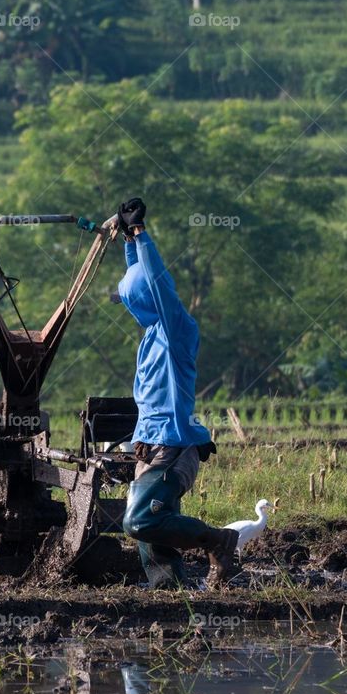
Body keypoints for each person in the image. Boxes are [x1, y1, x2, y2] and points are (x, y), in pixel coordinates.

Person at [115, 196, 238, 587]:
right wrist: (128, 244)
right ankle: (171, 594)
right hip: (150, 443)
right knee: (153, 532)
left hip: (174, 446)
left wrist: (140, 233)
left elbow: (156, 283)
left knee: (139, 520)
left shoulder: (176, 330)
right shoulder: (151, 334)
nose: (134, 308)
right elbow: (141, 279)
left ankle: (219, 540)